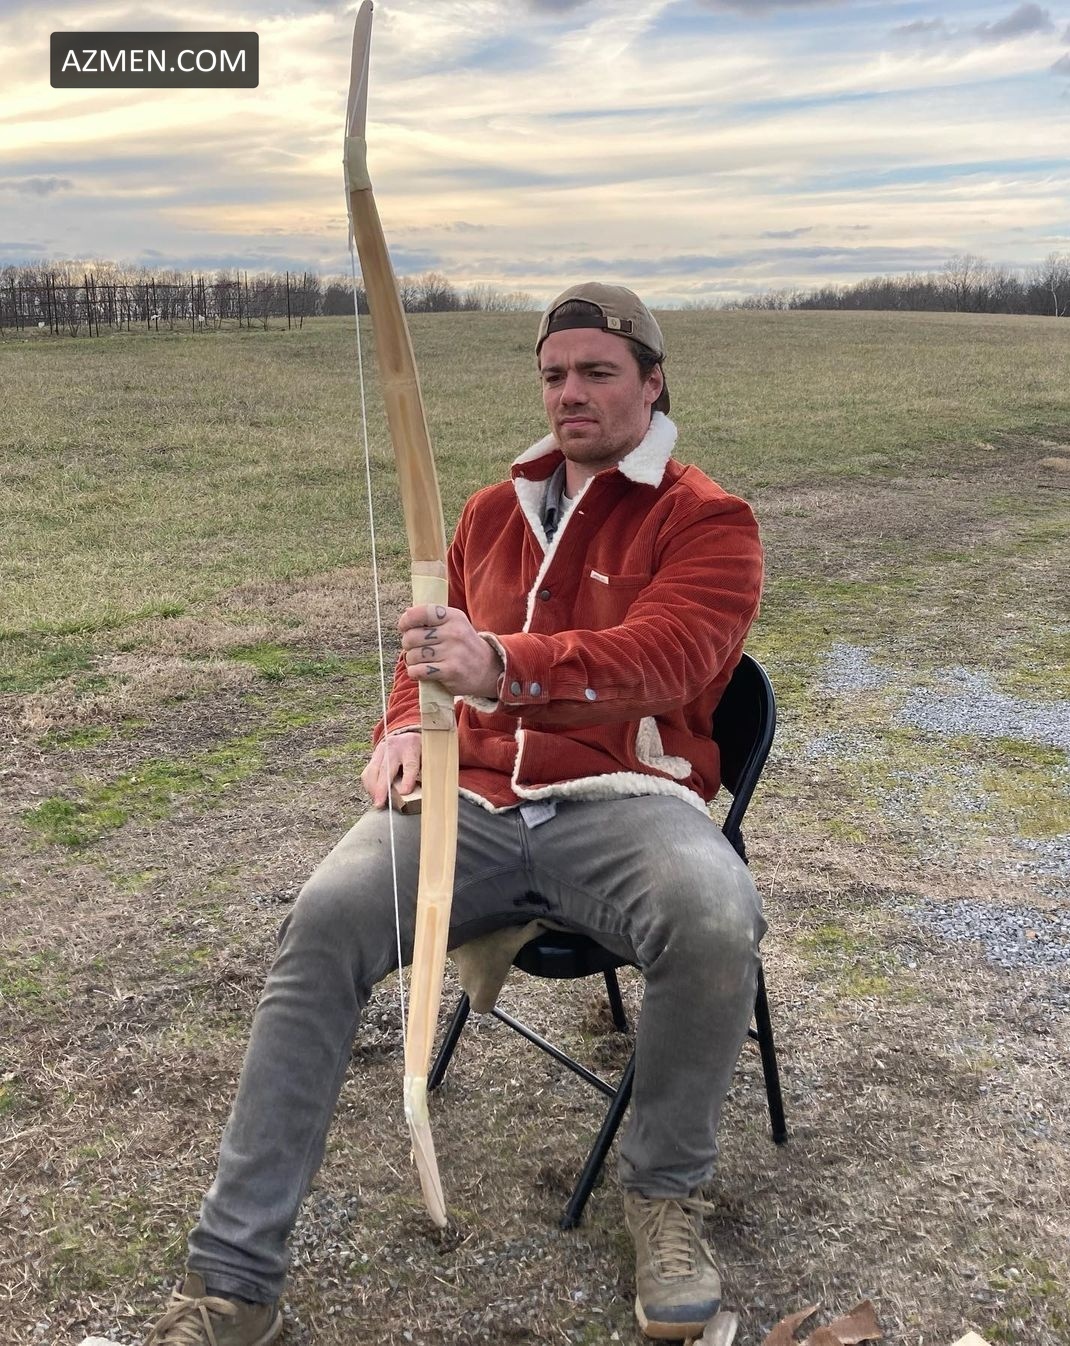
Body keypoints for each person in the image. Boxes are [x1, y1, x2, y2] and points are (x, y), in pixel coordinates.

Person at [144, 282, 766, 1344]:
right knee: (322, 920)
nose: (570, 393)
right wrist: (400, 723)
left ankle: (664, 1198)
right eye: (554, 374)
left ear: (653, 383)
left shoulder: (707, 518)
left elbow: (671, 656)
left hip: (623, 799)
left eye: (598, 372)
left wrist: (504, 666)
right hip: (467, 797)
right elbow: (427, 652)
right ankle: (233, 1279)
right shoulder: (487, 511)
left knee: (715, 911)